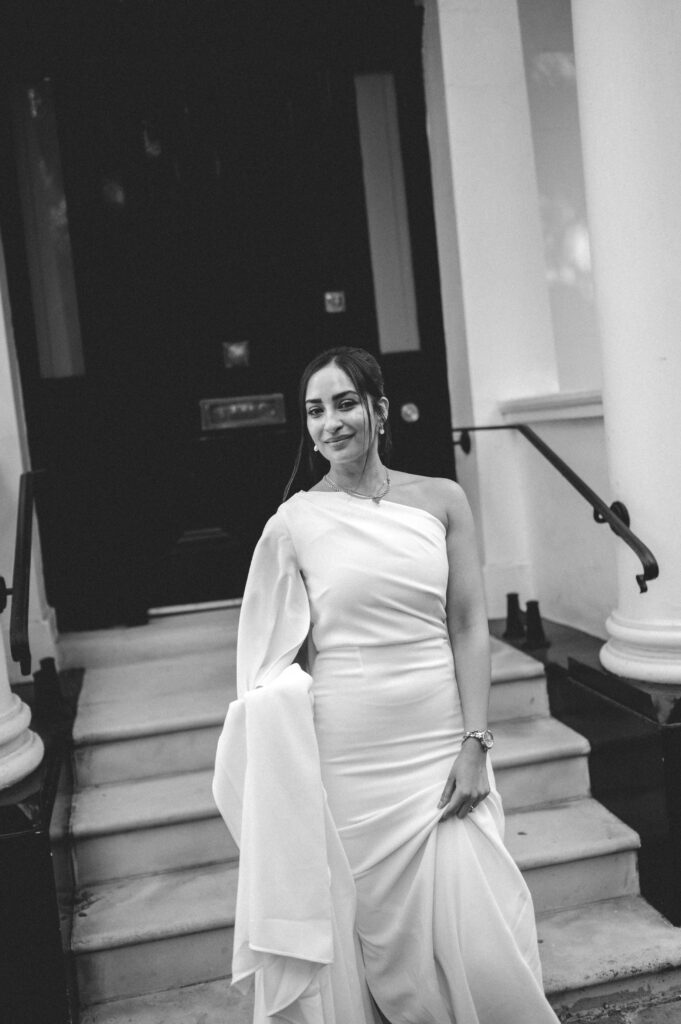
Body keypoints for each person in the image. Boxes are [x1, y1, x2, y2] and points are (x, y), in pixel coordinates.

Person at [213, 346, 560, 1024]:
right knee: (383, 940)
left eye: (344, 403)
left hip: (439, 743)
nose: (329, 423)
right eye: (314, 411)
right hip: (351, 756)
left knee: (487, 929)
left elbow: (466, 623)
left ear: (377, 407)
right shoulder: (293, 524)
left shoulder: (442, 500)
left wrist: (474, 741)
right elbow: (265, 658)